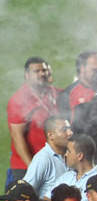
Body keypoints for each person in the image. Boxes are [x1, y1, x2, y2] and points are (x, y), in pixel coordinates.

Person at [7, 56, 60, 187]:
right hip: (26, 166)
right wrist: (33, 168)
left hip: (53, 162)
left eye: (45, 70)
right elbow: (17, 136)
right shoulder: (19, 100)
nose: (42, 74)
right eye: (37, 71)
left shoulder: (55, 93)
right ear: (27, 75)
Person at [22, 117, 72, 198]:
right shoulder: (43, 159)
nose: (70, 133)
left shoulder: (71, 156)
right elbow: (25, 191)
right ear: (50, 135)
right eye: (64, 130)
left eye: (69, 129)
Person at [50, 133, 97, 201]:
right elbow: (47, 199)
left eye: (69, 151)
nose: (66, 154)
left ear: (80, 156)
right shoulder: (66, 177)